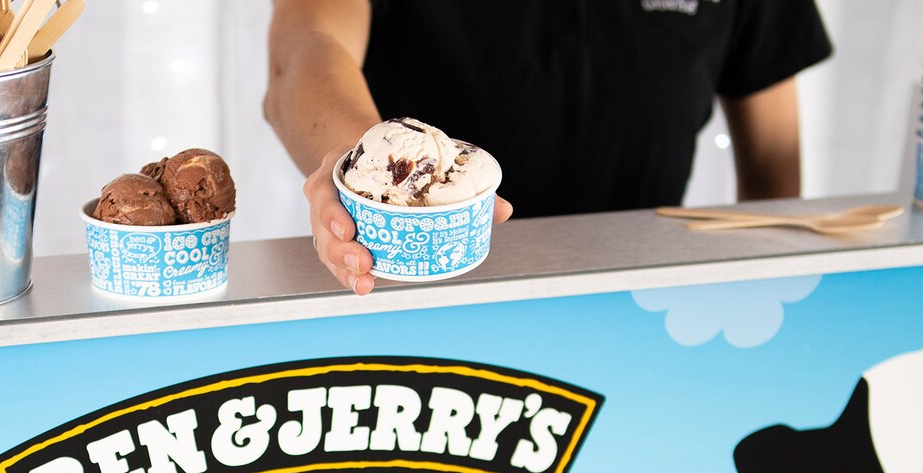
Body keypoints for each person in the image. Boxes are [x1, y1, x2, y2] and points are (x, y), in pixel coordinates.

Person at [264, 0, 833, 295]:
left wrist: (767, 297)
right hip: (415, 308)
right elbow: (307, 47)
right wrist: (366, 165)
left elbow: (773, 173)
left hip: (643, 312)